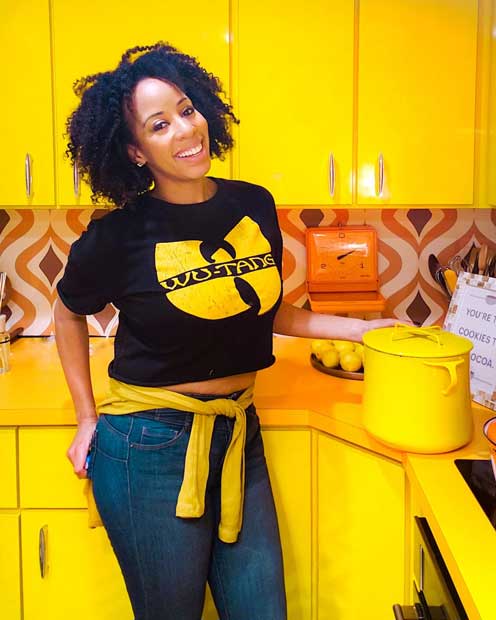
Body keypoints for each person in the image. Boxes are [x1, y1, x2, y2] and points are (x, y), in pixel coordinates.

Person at [54, 42, 399, 620]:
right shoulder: (117, 236)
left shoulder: (252, 204)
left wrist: (367, 331)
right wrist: (86, 415)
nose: (186, 130)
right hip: (149, 445)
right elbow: (67, 313)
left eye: (187, 110)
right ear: (135, 152)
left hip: (240, 431)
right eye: (159, 124)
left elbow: (271, 312)